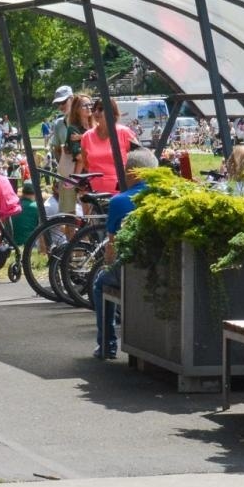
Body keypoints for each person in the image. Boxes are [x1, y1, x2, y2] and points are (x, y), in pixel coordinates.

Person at [92, 148, 159, 360]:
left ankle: (107, 344)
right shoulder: (166, 197)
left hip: (132, 267)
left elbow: (112, 246)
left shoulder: (119, 201)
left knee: (100, 283)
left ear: (132, 172)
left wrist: (107, 265)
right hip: (165, 267)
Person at [78, 98, 139, 196]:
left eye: (100, 109)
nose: (96, 112)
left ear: (112, 112)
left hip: (121, 191)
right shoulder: (87, 136)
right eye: (94, 109)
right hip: (94, 192)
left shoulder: (124, 132)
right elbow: (86, 164)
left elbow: (140, 158)